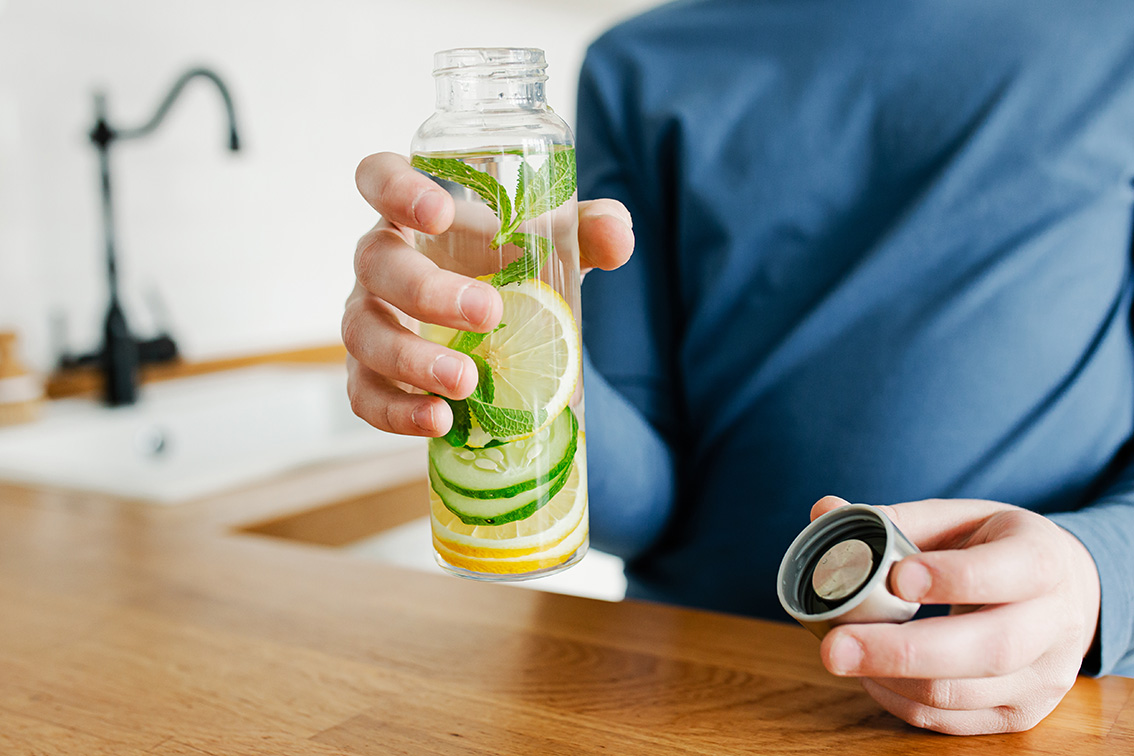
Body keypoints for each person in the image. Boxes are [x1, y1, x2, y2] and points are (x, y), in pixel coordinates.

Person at [343, 0, 1134, 735]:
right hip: (691, 690)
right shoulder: (637, 65)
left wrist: (1096, 578)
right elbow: (649, 503)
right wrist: (485, 348)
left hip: (1065, 700)